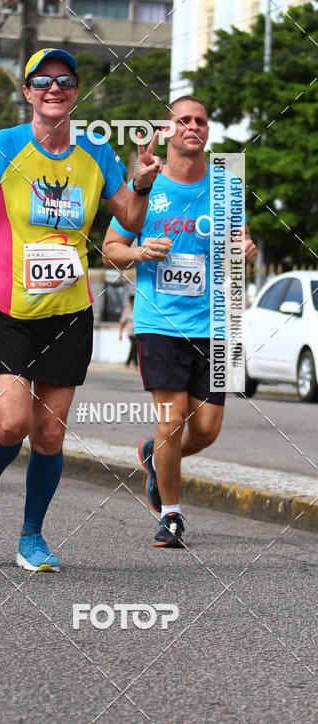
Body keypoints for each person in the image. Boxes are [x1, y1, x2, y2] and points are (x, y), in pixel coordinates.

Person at [0, 48, 162, 572]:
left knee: (50, 433)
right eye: (43, 81)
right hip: (7, 307)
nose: (54, 88)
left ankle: (31, 537)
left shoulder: (94, 153)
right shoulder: (3, 145)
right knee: (11, 424)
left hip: (68, 310)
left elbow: (130, 215)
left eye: (65, 81)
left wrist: (143, 181)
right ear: (29, 91)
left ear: (76, 92)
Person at [102, 96, 258, 548]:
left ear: (208, 132)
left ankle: (155, 457)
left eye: (201, 121)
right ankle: (170, 515)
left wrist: (248, 248)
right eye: (183, 120)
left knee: (205, 430)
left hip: (217, 325)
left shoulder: (227, 186)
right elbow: (112, 246)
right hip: (161, 323)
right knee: (171, 422)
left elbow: (241, 240)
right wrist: (139, 252)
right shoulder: (148, 186)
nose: (194, 126)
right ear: (168, 131)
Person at [118, 295, 137, 366]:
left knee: (135, 346)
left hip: (137, 332)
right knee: (134, 345)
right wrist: (120, 334)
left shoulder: (137, 310)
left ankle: (128, 362)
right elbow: (122, 323)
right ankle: (135, 363)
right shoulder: (127, 311)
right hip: (130, 332)